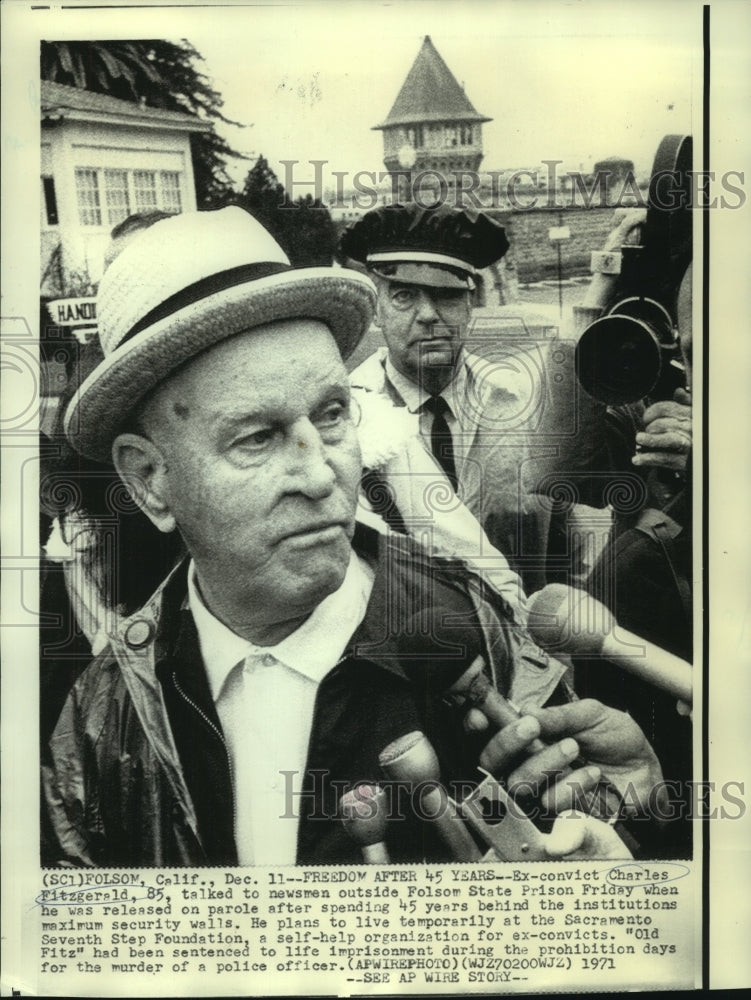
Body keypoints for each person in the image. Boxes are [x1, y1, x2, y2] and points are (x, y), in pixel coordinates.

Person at [42, 206, 666, 868]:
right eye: (257, 437)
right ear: (149, 479)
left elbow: (599, 854)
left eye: (332, 415)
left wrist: (623, 833)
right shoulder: (100, 724)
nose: (321, 474)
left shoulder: (472, 634)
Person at [341, 203, 560, 594]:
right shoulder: (346, 419)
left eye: (446, 295)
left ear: (470, 305)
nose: (427, 314)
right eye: (404, 295)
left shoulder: (524, 402)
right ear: (377, 311)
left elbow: (570, 546)